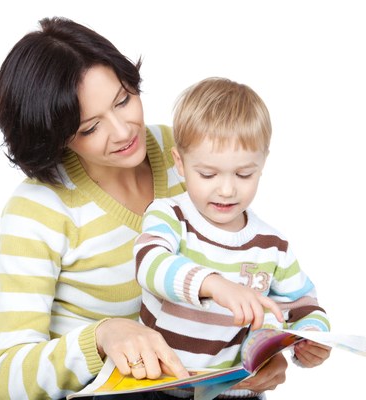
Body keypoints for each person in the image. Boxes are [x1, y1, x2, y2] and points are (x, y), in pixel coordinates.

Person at [0, 16, 327, 400]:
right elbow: (7, 380)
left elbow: (249, 269)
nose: (123, 131)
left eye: (123, 100)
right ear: (52, 136)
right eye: (89, 128)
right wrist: (102, 337)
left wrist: (267, 351)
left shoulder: (185, 157)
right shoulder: (37, 209)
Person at [134, 77, 331, 399]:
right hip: (159, 386)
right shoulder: (168, 215)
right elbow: (150, 263)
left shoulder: (272, 246)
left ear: (262, 165)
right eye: (208, 174)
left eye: (244, 174)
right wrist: (215, 285)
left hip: (237, 392)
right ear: (180, 164)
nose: (227, 190)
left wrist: (310, 338)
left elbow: (304, 305)